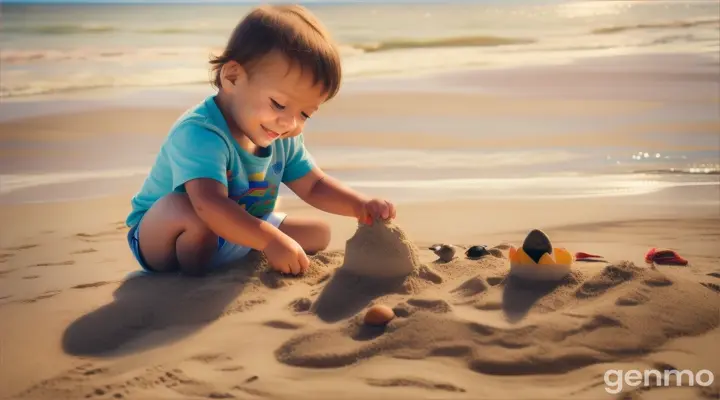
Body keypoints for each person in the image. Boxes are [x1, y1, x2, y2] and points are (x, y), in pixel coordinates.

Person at [125, 5, 396, 277]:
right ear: (232, 77)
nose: (289, 123)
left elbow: (314, 186)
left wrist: (359, 205)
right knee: (188, 211)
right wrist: (269, 240)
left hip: (241, 226)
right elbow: (208, 204)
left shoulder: (280, 134)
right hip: (165, 235)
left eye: (304, 114)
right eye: (278, 104)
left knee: (318, 234)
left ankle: (243, 247)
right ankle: (194, 277)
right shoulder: (200, 133)